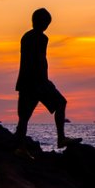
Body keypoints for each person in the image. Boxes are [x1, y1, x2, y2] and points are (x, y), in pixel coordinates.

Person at [14, 8, 81, 156]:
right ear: (38, 21)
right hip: (36, 82)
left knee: (24, 117)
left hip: (30, 82)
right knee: (58, 104)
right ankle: (59, 139)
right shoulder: (38, 38)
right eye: (45, 23)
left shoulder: (29, 37)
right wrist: (43, 82)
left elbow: (38, 60)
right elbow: (38, 60)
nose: (46, 26)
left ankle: (21, 147)